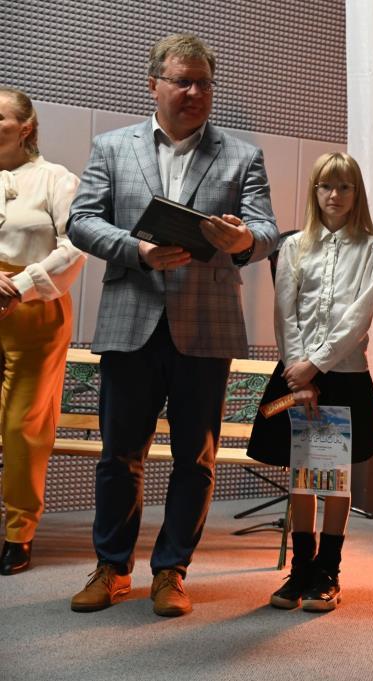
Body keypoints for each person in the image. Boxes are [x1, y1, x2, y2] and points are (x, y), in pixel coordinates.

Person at [67, 34, 278, 617]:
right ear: (153, 84)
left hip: (206, 327)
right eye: (182, 81)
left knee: (196, 458)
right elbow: (81, 221)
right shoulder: (112, 146)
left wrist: (242, 241)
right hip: (131, 317)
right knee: (119, 455)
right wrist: (136, 249)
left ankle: (171, 571)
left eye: (204, 83)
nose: (194, 92)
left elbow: (265, 232)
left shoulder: (242, 155)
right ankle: (112, 568)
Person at [246, 152, 373, 613]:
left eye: (344, 187)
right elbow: (284, 314)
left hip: (345, 376)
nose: (334, 195)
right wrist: (298, 371)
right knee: (302, 475)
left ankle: (329, 571)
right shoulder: (293, 246)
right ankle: (301, 569)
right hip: (295, 376)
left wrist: (317, 365)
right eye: (326, 186)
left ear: (356, 193)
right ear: (314, 192)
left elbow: (357, 319)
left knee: (336, 477)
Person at [0, 87, 86, 575]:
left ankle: (19, 531)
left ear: (26, 127)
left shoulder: (57, 178)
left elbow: (76, 245)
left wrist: (20, 284)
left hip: (34, 307)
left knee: (22, 426)